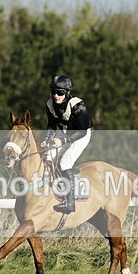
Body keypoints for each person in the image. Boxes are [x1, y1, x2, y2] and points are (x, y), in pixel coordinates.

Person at [38, 74, 93, 214]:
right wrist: (47, 139)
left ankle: (70, 202)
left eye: (60, 92)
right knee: (48, 156)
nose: (56, 96)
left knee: (65, 163)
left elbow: (81, 132)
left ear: (67, 92)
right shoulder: (50, 104)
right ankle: (53, 189)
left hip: (81, 135)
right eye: (53, 92)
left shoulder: (78, 106)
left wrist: (62, 141)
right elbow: (51, 125)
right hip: (65, 132)